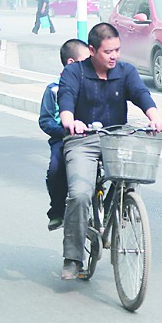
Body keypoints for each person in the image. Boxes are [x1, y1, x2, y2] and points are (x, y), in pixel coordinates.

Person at [57, 23, 162, 280]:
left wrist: (155, 117)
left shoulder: (126, 72)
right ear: (93, 50)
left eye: (117, 50)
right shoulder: (75, 72)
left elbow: (141, 95)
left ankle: (120, 208)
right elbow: (66, 98)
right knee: (80, 195)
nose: (114, 56)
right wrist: (69, 120)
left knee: (130, 176)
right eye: (108, 51)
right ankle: (73, 258)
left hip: (116, 139)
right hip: (82, 140)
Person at [39, 40, 91, 231]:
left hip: (90, 138)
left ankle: (112, 209)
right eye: (85, 60)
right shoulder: (53, 89)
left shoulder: (91, 85)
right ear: (71, 63)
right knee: (55, 169)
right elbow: (45, 121)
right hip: (64, 140)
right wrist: (65, 131)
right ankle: (57, 210)